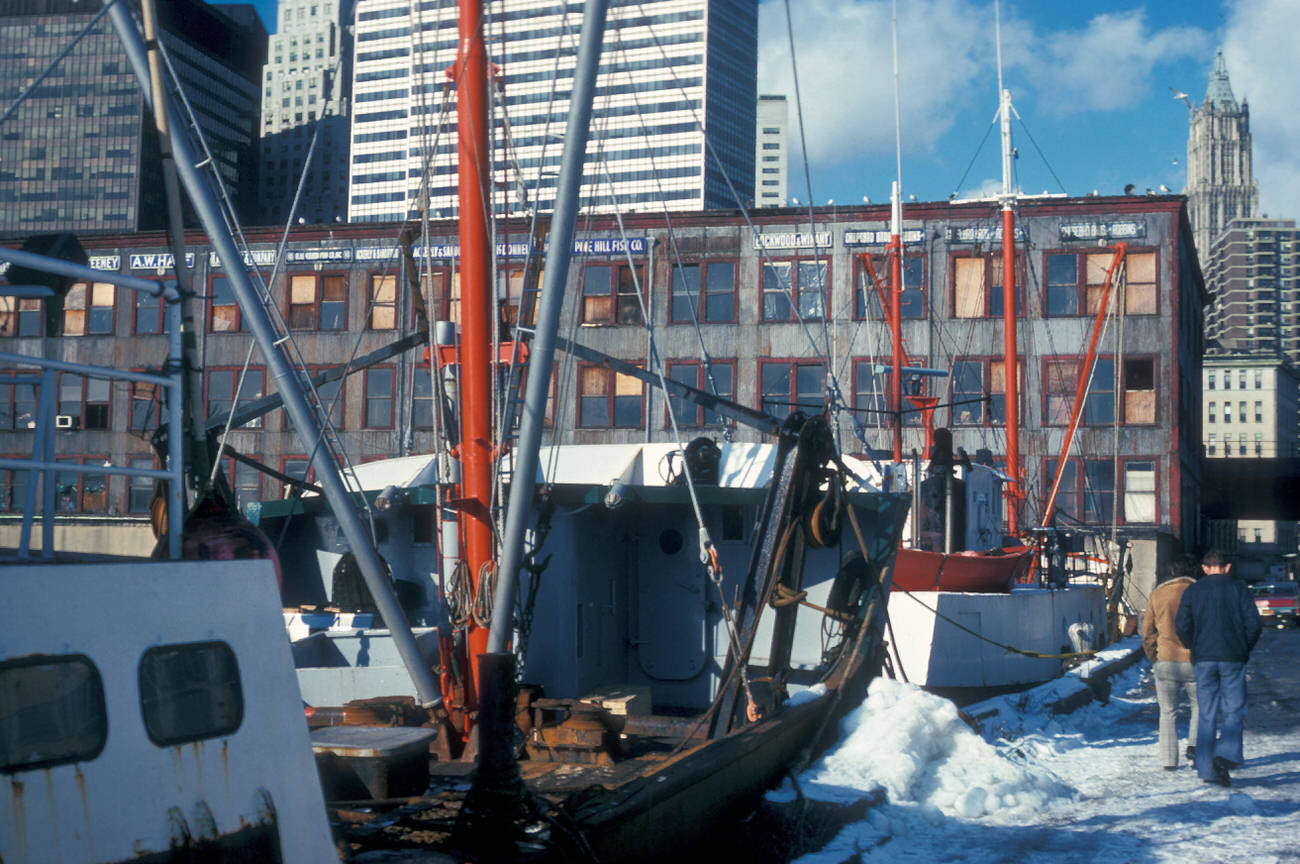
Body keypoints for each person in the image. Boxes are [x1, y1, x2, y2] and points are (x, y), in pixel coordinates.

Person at [1175, 548, 1263, 787]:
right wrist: (1244, 648)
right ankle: (1225, 755)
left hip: (1203, 659)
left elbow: (1182, 625)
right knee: (1234, 710)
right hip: (1233, 657)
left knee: (1206, 713)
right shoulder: (1239, 589)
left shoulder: (1193, 590)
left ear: (1204, 568)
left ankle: (1206, 770)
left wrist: (1194, 646)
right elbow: (1254, 624)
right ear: (1227, 568)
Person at [1141, 554, 1200, 770]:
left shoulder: (1158, 595)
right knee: (1200, 707)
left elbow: (1147, 632)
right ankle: (1195, 750)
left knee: (1168, 712)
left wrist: (1154, 657)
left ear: (1172, 572)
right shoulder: (1200, 592)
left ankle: (1168, 761)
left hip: (1166, 660)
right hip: (1195, 661)